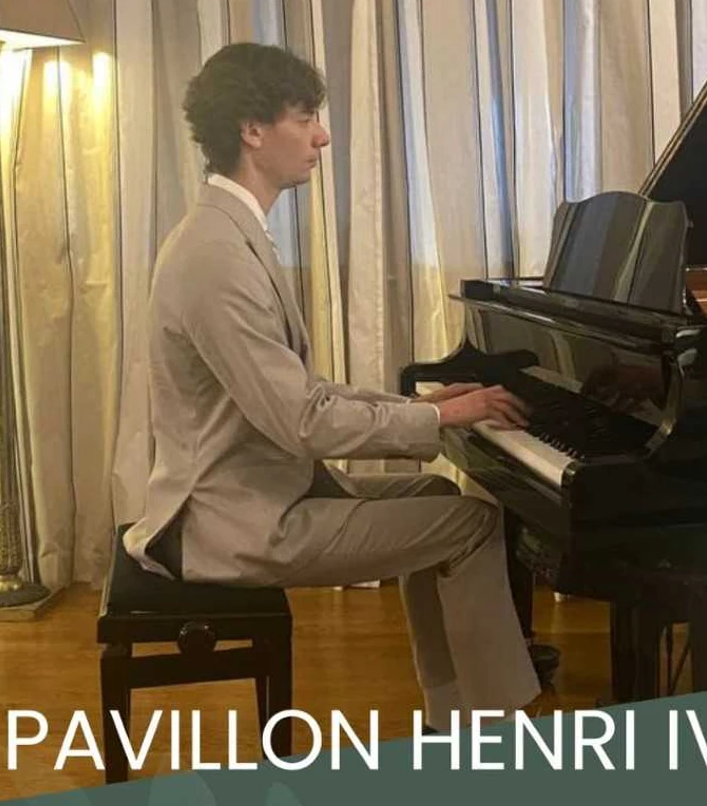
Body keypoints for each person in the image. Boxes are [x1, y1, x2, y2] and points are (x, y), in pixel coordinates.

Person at [124, 42, 541, 728]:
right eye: (305, 118)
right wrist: (441, 419)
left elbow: (301, 388)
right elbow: (306, 420)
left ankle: (451, 715)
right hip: (231, 524)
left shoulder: (228, 232)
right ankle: (497, 731)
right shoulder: (216, 255)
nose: (321, 136)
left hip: (254, 493)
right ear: (252, 131)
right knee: (472, 523)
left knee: (439, 498)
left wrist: (419, 406)